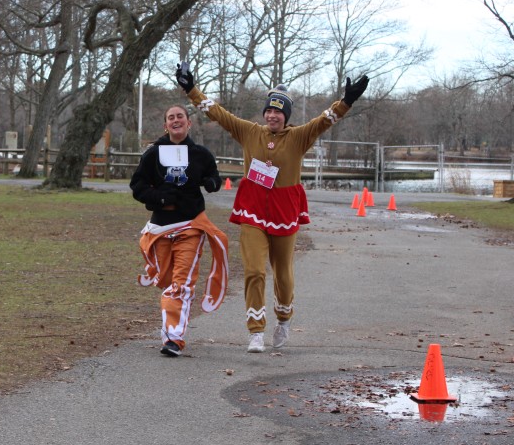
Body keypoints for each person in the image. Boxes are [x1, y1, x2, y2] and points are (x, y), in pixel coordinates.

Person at [174, 65, 368, 353]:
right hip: (253, 209)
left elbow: (325, 120)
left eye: (278, 112)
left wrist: (347, 101)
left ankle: (284, 319)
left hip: (284, 210)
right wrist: (191, 89)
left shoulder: (299, 136)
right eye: (269, 111)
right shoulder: (249, 132)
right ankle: (256, 330)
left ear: (286, 115)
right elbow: (217, 113)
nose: (272, 115)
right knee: (254, 270)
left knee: (283, 274)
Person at [130, 104, 229, 357]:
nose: (176, 120)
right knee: (166, 281)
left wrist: (211, 182)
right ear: (165, 125)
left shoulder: (200, 154)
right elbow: (137, 186)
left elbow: (214, 177)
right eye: (171, 117)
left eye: (180, 116)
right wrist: (159, 197)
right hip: (161, 228)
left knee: (181, 284)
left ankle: (173, 338)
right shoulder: (153, 154)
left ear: (188, 123)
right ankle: (171, 324)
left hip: (191, 225)